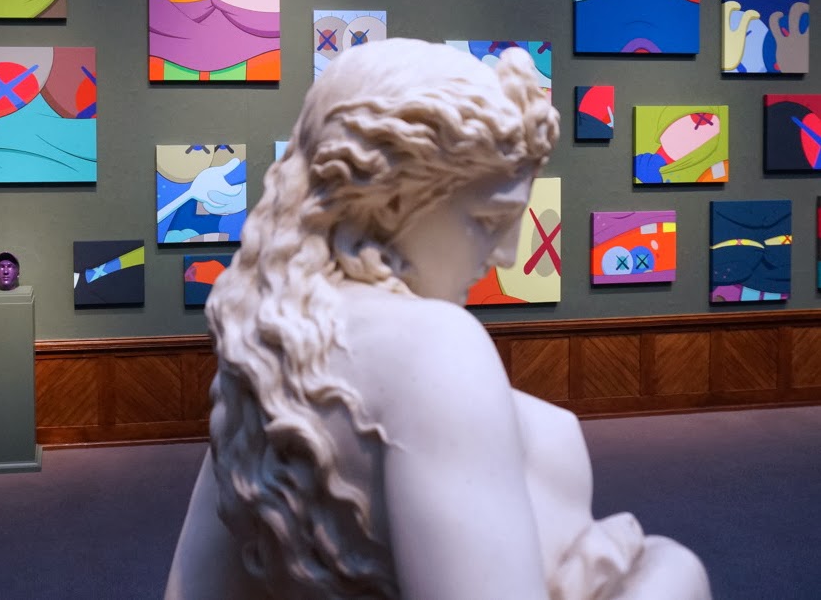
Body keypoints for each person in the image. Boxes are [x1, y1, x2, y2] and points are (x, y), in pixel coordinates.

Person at [165, 39, 710, 600]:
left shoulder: (267, 352)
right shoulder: (437, 348)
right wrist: (669, 574)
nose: (506, 255)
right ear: (390, 203)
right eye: (488, 220)